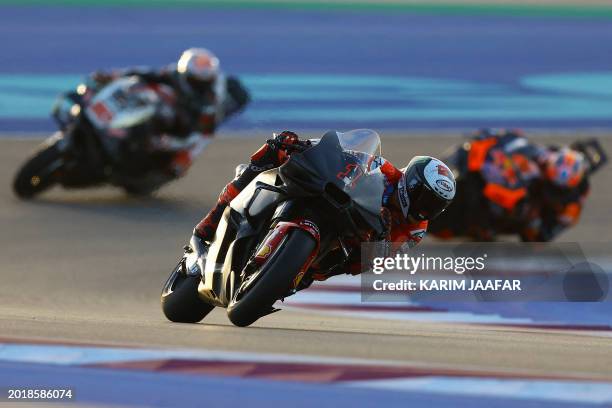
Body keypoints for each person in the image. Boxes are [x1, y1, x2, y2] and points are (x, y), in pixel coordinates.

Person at [192, 130, 456, 283]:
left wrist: (381, 240)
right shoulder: (384, 170)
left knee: (340, 266)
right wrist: (305, 145)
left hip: (350, 236)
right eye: (425, 198)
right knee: (274, 153)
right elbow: (345, 153)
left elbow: (379, 259)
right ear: (411, 183)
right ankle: (212, 221)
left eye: (436, 206)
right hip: (335, 197)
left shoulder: (416, 229)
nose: (426, 209)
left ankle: (294, 275)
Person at [87, 47, 250, 176]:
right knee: (147, 89)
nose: (197, 85)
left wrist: (184, 158)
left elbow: (203, 136)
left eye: (201, 82)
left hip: (185, 124)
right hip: (167, 107)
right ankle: (114, 121)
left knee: (189, 138)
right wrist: (112, 76)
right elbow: (145, 73)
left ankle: (168, 158)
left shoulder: (211, 100)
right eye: (194, 81)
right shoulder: (175, 73)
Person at [430, 128, 590, 241]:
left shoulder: (569, 209)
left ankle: (482, 229)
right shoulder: (547, 156)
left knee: (503, 219)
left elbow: (539, 238)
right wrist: (497, 135)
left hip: (518, 214)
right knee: (470, 149)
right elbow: (519, 141)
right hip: (495, 174)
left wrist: (533, 223)